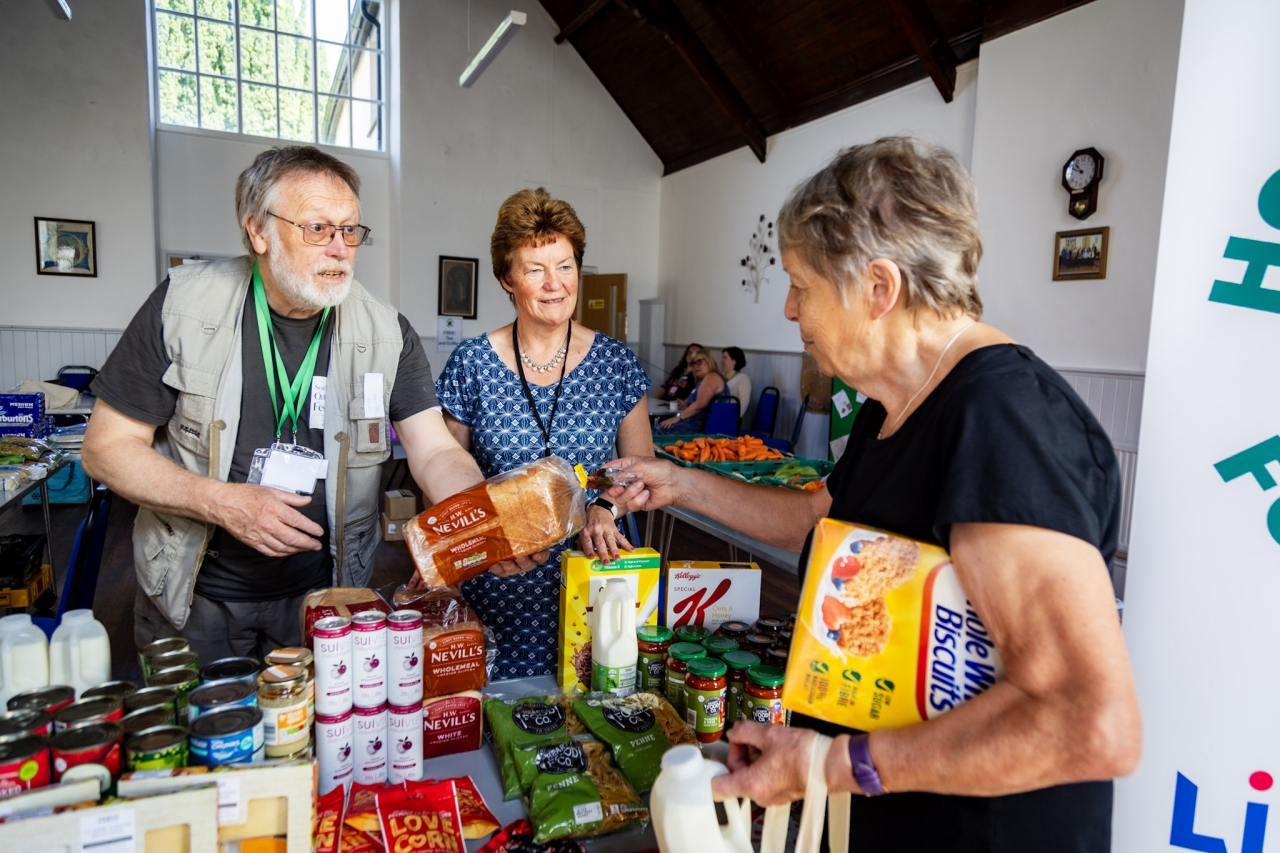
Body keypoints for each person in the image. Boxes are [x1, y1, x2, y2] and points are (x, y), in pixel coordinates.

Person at [609, 138, 1140, 851]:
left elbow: (1088, 721)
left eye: (802, 283)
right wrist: (679, 483)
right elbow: (813, 520)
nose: (791, 309)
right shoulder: (895, 406)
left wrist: (836, 762)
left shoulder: (1003, 419)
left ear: (878, 289)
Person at [81, 145, 537, 663]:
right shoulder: (182, 307)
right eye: (317, 229)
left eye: (350, 231)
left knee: (324, 741)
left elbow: (434, 452)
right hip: (195, 598)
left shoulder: (386, 331)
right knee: (202, 739)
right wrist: (222, 502)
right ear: (258, 231)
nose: (340, 248)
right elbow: (106, 448)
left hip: (328, 599)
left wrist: (488, 525)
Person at [434, 187, 653, 679]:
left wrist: (606, 507)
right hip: (497, 583)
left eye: (566, 265)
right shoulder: (472, 364)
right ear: (506, 279)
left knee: (592, 723)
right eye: (536, 269)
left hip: (594, 585)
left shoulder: (616, 365)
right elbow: (442, 478)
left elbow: (643, 475)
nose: (555, 284)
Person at [653, 346, 725, 434]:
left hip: (703, 427)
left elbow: (700, 404)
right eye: (694, 363)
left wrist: (677, 418)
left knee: (657, 430)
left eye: (699, 362)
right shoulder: (702, 381)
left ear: (709, 361)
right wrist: (684, 405)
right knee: (657, 427)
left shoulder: (712, 377)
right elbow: (689, 403)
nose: (696, 366)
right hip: (694, 422)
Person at [720, 346, 751, 418]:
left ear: (734, 361)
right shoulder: (720, 375)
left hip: (730, 416)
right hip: (718, 412)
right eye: (722, 357)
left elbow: (744, 402)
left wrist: (733, 417)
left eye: (725, 358)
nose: (722, 360)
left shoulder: (743, 378)